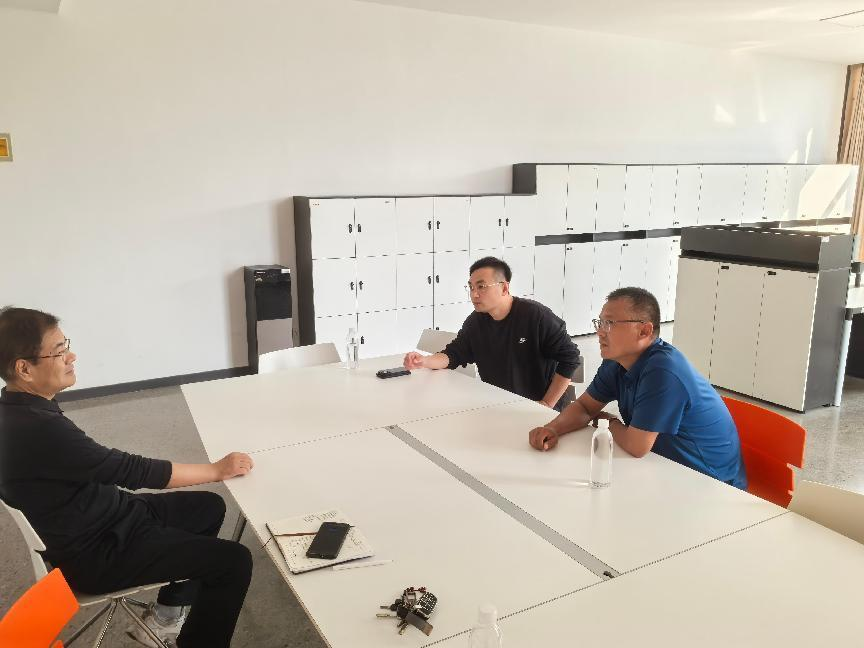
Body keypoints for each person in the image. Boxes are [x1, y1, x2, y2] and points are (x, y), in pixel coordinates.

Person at [0, 307, 254, 648]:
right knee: (234, 562)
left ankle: (165, 618)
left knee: (208, 507)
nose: (71, 356)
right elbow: (131, 470)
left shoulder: (19, 409)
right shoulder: (39, 429)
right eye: (59, 351)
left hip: (109, 515)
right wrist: (216, 470)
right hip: (99, 552)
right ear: (24, 369)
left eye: (66, 346)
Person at [528, 287, 747, 489]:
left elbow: (636, 446)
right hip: (662, 467)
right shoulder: (617, 362)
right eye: (600, 323)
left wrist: (609, 422)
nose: (600, 332)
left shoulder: (664, 371)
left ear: (644, 331)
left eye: (609, 323)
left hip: (710, 483)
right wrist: (553, 428)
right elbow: (585, 407)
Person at [403, 256, 581, 410]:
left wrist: (546, 404)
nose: (474, 294)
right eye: (471, 287)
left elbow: (570, 358)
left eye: (481, 287)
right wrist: (424, 361)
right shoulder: (476, 321)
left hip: (538, 410)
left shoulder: (536, 316)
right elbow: (454, 354)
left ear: (504, 288)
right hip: (498, 404)